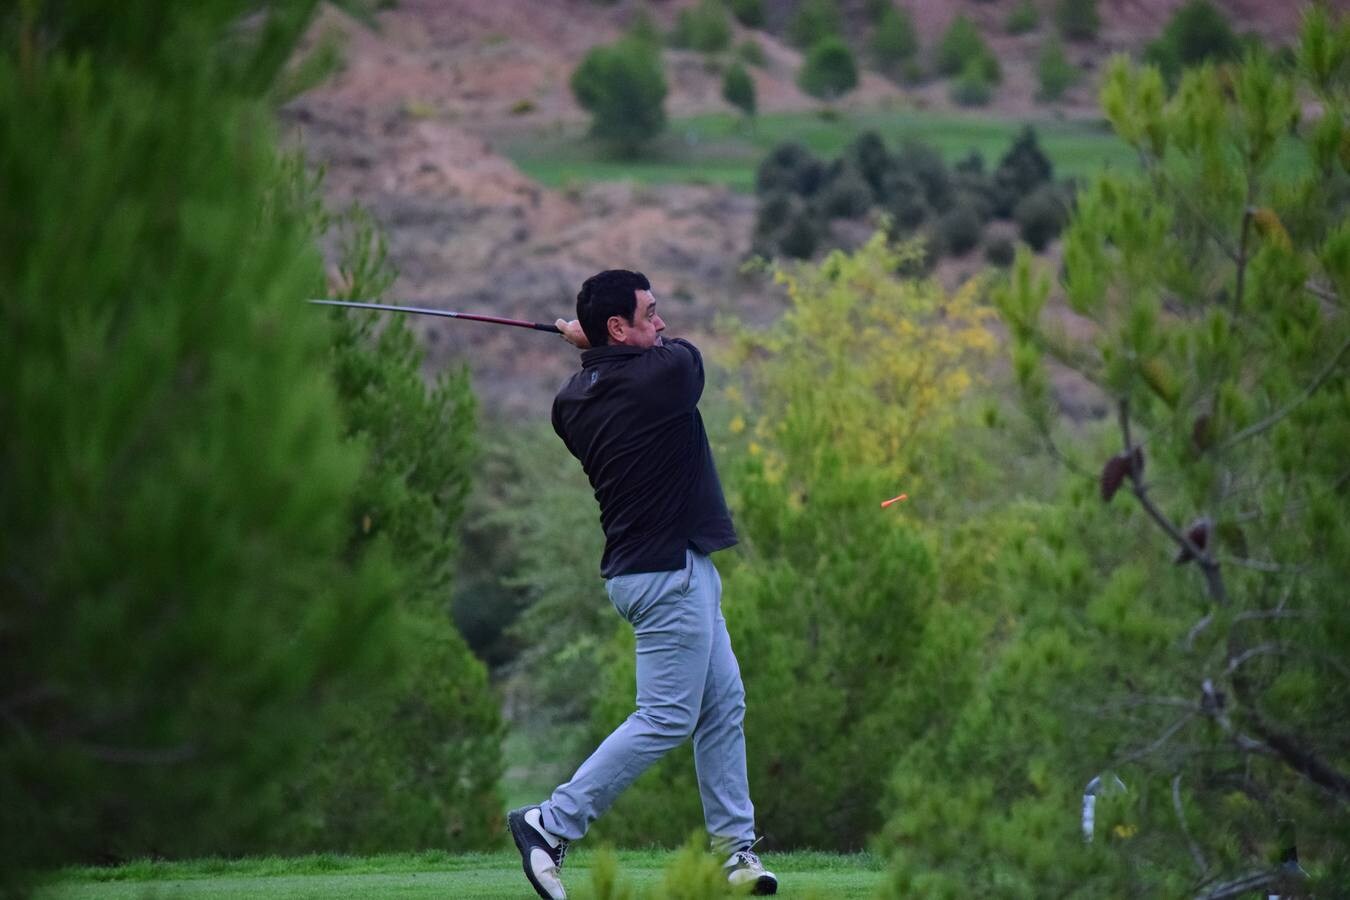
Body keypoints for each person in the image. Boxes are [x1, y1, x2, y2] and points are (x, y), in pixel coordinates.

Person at [507, 270, 777, 899]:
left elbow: (609, 374)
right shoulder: (667, 376)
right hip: (667, 575)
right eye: (649, 314)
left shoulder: (569, 405)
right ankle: (551, 822)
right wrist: (595, 345)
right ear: (619, 327)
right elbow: (682, 356)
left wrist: (595, 350)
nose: (661, 324)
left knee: (721, 705)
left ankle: (734, 855)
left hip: (659, 570)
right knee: (666, 716)